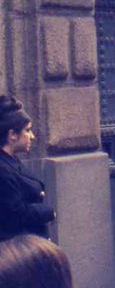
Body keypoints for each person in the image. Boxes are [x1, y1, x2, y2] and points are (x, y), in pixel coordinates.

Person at [0, 95, 56, 241]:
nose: (32, 136)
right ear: (12, 135)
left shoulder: (10, 161)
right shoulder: (3, 169)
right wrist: (48, 212)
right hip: (19, 255)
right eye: (27, 130)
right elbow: (15, 214)